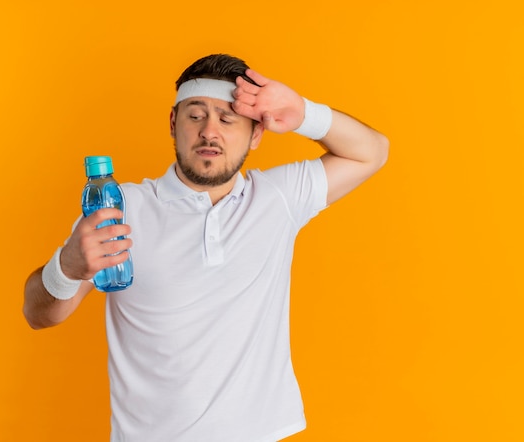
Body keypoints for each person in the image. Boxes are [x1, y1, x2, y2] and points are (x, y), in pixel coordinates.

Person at [23, 53, 389, 441]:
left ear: (257, 133)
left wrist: (303, 113)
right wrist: (67, 267)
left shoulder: (277, 199)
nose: (209, 132)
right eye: (195, 116)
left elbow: (372, 151)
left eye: (228, 119)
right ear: (172, 123)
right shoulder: (119, 208)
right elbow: (39, 314)